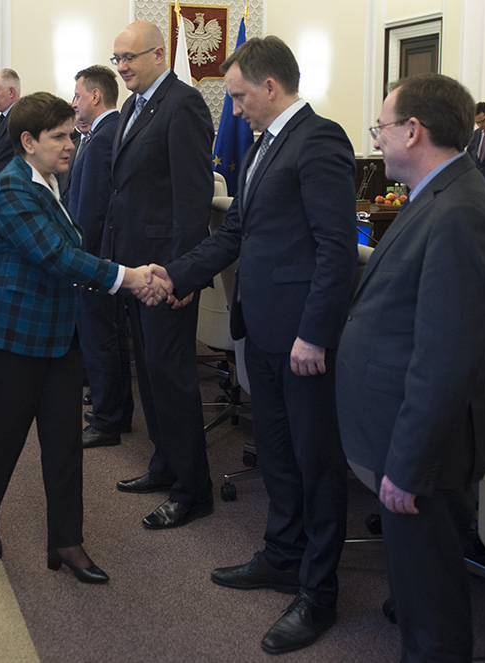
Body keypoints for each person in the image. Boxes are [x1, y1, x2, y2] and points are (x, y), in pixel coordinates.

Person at [150, 36, 357, 655]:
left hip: (302, 339)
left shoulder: (321, 140)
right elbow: (238, 230)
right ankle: (282, 554)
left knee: (317, 463)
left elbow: (336, 250)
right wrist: (177, 274)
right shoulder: (268, 145)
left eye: (239, 97)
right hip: (261, 330)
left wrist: (316, 332)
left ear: (270, 87)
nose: (233, 110)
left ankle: (318, 593)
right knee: (277, 451)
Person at [0, 91, 170, 584]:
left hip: (55, 335)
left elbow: (67, 255)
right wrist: (130, 277)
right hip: (5, 335)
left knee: (63, 443)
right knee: (5, 436)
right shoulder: (11, 187)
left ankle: (67, 542)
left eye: (72, 134)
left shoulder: (48, 181)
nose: (70, 144)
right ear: (28, 141)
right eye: (59, 136)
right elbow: (56, 256)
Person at [336, 74, 485, 662]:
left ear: (413, 130)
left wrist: (407, 464)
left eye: (381, 129)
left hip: (422, 453)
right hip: (402, 438)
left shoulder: (461, 210)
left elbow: (446, 356)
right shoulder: (437, 194)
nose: (377, 141)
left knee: (432, 615)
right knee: (416, 592)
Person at [103, 20, 215, 530]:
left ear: (159, 53)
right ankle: (164, 464)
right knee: (148, 374)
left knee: (172, 379)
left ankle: (193, 490)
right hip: (133, 267)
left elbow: (191, 201)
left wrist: (182, 276)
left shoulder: (184, 104)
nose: (122, 67)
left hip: (166, 273)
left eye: (129, 58)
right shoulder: (131, 105)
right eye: (116, 60)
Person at [69, 65, 133, 449]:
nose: (74, 103)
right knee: (108, 338)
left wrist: (77, 256)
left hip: (94, 255)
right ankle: (115, 411)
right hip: (102, 253)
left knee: (100, 339)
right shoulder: (103, 132)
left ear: (95, 96)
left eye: (78, 95)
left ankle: (108, 420)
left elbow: (91, 209)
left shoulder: (106, 134)